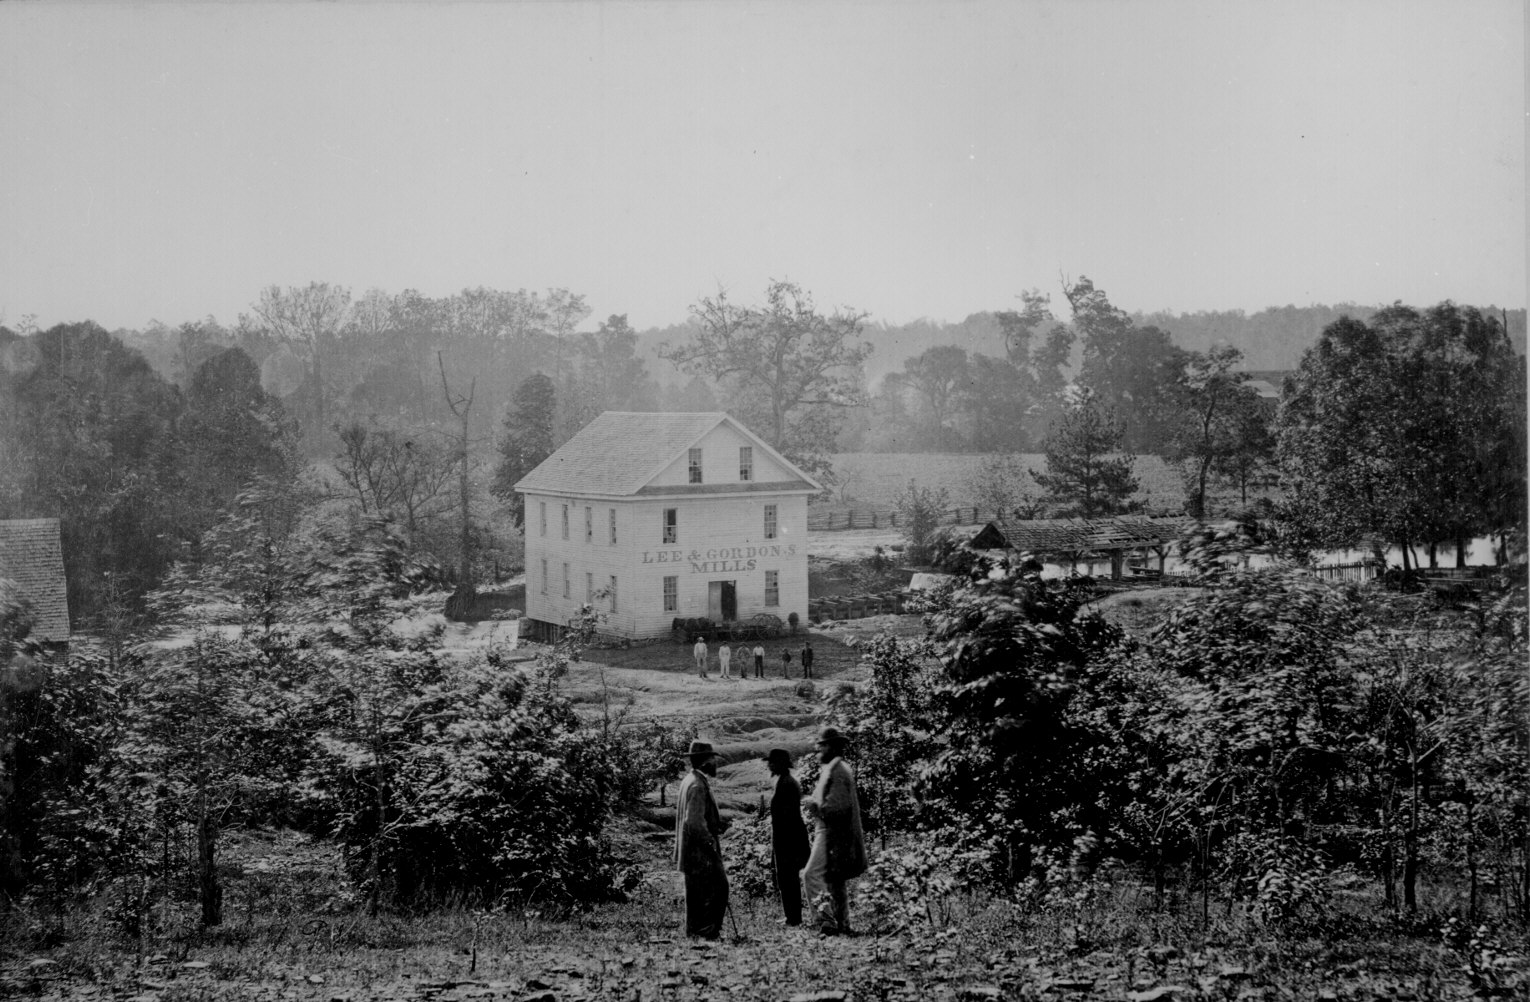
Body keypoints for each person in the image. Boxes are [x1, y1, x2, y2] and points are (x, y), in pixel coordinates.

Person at [801, 726, 866, 935]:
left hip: (830, 831)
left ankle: (826, 921)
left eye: (823, 746)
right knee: (834, 878)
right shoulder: (836, 767)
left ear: (833, 747)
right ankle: (842, 924)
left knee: (811, 874)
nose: (819, 750)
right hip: (833, 830)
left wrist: (814, 805)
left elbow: (837, 807)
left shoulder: (837, 770)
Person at [674, 740, 730, 939]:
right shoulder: (697, 785)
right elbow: (694, 822)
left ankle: (696, 932)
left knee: (697, 891)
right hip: (699, 849)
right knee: (719, 887)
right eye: (713, 758)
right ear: (706, 761)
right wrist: (709, 842)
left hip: (691, 849)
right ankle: (706, 931)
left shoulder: (690, 780)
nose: (715, 762)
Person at [764, 748, 810, 926]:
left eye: (772, 762)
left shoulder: (787, 784)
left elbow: (788, 817)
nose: (769, 765)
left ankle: (793, 918)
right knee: (787, 878)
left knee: (788, 878)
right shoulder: (784, 781)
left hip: (788, 839)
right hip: (787, 837)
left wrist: (782, 842)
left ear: (780, 764)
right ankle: (792, 916)